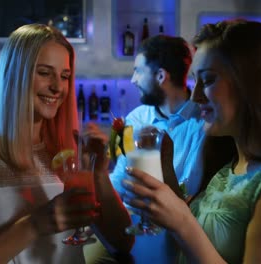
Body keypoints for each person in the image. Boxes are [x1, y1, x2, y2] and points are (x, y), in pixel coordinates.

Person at [122, 19, 261, 263]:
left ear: (252, 83)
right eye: (196, 81)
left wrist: (182, 221)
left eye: (208, 80)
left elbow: (190, 231)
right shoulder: (232, 163)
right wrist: (168, 184)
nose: (195, 96)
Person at [0, 24, 133, 263]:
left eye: (64, 76)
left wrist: (99, 174)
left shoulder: (69, 149)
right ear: (15, 74)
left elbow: (122, 243)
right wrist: (34, 225)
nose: (58, 87)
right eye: (44, 72)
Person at [84, 34, 205, 264]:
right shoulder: (135, 119)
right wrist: (100, 215)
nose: (132, 79)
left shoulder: (201, 124)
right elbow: (120, 179)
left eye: (138, 70)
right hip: (129, 220)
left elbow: (190, 194)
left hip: (171, 227)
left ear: (161, 76)